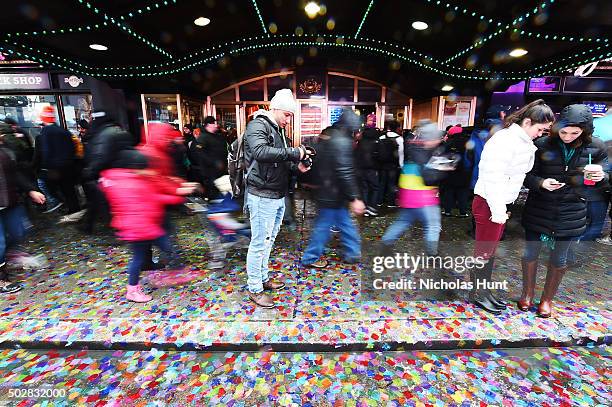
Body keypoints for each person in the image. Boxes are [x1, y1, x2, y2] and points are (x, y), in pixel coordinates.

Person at [519, 104, 608, 318]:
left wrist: (602, 177)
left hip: (572, 210)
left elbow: (606, 177)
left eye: (574, 132)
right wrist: (541, 183)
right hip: (539, 208)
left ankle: (547, 300)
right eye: (564, 131)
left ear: (585, 131)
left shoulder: (596, 147)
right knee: (530, 253)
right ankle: (527, 294)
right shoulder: (542, 144)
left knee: (559, 258)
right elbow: (525, 175)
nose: (567, 136)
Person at [471, 99, 554, 315]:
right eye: (540, 129)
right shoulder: (506, 140)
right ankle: (478, 293)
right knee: (484, 251)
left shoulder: (519, 140)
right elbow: (493, 177)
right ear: (527, 122)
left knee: (488, 251)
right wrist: (498, 211)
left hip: (496, 202)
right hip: (490, 201)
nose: (541, 133)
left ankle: (483, 292)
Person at [99, 149, 195, 303]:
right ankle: (133, 290)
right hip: (140, 229)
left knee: (165, 246)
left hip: (143, 226)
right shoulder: (134, 183)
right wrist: (178, 198)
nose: (149, 170)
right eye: (145, 168)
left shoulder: (122, 180)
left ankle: (174, 271)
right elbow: (155, 197)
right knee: (140, 258)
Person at [243, 89, 310, 308]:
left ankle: (262, 279)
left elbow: (279, 160)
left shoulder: (277, 130)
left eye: (291, 116)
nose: (288, 120)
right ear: (275, 108)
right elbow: (261, 152)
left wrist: (297, 166)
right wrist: (294, 153)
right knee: (259, 243)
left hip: (276, 194)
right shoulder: (258, 125)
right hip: (261, 194)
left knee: (268, 241)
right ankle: (254, 288)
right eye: (287, 115)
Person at [301, 110, 365, 268]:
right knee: (325, 226)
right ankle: (310, 257)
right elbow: (344, 171)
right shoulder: (342, 142)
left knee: (342, 222)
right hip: (333, 192)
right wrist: (355, 197)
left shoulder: (328, 136)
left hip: (327, 190)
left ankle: (352, 252)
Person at [379, 120, 445, 256]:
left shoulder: (411, 145)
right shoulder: (426, 152)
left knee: (403, 221)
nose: (438, 140)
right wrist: (444, 169)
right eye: (435, 138)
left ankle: (386, 243)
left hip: (407, 192)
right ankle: (432, 254)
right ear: (429, 138)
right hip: (423, 195)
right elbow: (429, 178)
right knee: (433, 225)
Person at [1, 127, 46, 293]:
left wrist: (31, 190)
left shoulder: (6, 150)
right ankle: (1, 279)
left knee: (18, 232)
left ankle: (7, 256)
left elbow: (15, 174)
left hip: (10, 201)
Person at [34, 105, 80, 214]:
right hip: (68, 166)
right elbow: (72, 147)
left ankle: (64, 205)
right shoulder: (63, 130)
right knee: (69, 190)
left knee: (51, 187)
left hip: (55, 168)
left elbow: (46, 150)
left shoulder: (46, 131)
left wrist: (46, 166)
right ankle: (75, 209)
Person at [190, 116, 228, 200]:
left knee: (222, 193)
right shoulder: (203, 137)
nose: (216, 125)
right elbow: (200, 154)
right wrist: (214, 162)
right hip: (210, 172)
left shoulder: (217, 136)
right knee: (213, 194)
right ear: (208, 125)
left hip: (220, 171)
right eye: (214, 123)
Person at [441, 125, 471, 217]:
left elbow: (443, 158)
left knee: (448, 192)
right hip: (464, 172)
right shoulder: (468, 143)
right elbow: (470, 158)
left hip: (450, 171)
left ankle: (447, 211)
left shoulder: (448, 144)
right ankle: (463, 212)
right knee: (462, 193)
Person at [355, 113, 381, 217]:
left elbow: (357, 152)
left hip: (361, 167)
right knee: (375, 187)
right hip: (372, 167)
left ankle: (365, 208)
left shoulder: (361, 136)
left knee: (364, 188)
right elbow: (379, 154)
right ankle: (372, 207)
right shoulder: (377, 136)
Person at [377, 120, 403, 207]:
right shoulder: (399, 138)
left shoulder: (382, 137)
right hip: (393, 164)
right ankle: (391, 202)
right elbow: (400, 153)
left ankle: (379, 200)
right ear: (397, 128)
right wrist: (401, 165)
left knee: (381, 183)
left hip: (382, 164)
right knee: (391, 183)